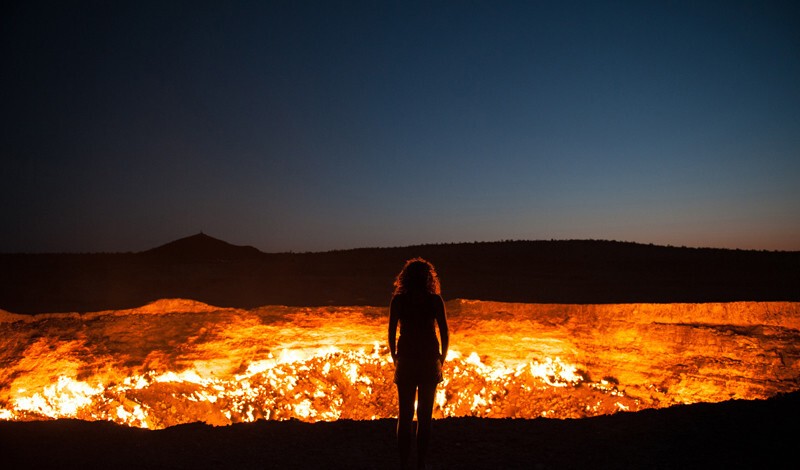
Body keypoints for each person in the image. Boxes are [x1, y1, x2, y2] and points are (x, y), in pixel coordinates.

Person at [388, 257, 449, 470]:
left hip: (406, 360)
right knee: (425, 416)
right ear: (428, 278)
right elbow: (444, 331)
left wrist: (395, 357)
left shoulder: (398, 301)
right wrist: (441, 358)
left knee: (404, 416)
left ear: (405, 278)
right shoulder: (434, 301)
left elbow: (391, 332)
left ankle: (404, 464)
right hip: (429, 360)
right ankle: (421, 463)